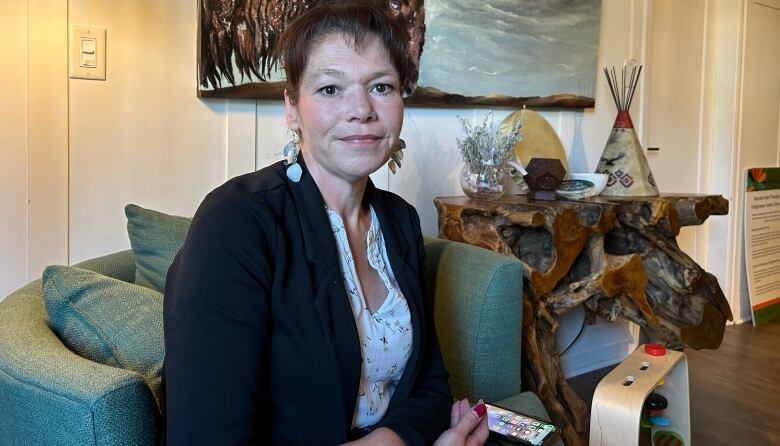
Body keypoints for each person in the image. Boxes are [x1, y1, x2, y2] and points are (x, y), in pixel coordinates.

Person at [162, 2, 488, 445]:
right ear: (292, 109)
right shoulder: (236, 223)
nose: (361, 110)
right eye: (331, 89)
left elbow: (430, 386)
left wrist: (396, 439)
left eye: (381, 86)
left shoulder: (399, 221)